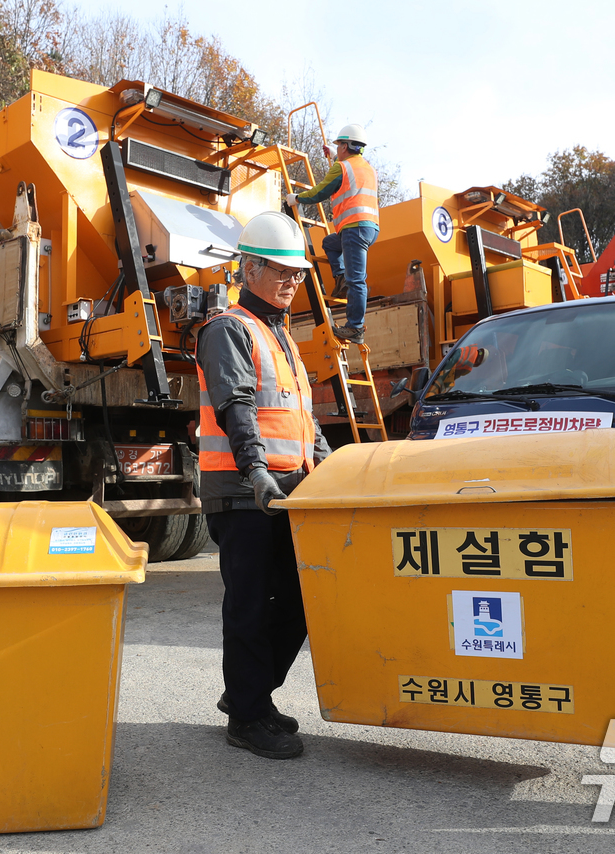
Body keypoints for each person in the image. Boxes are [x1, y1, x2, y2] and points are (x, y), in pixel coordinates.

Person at [195, 210, 333, 760]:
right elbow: (238, 407)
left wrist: (330, 471)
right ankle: (248, 717)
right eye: (281, 271)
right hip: (243, 492)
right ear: (249, 269)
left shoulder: (282, 337)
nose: (292, 281)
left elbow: (303, 419)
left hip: (287, 491)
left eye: (298, 273)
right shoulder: (228, 329)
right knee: (250, 604)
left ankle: (249, 695)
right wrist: (255, 469)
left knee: (299, 601)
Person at [286, 123, 379, 343]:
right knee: (329, 242)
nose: (337, 149)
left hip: (353, 228)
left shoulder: (342, 167)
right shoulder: (366, 167)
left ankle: (355, 327)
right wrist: (333, 152)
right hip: (369, 228)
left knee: (357, 280)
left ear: (346, 147)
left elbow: (321, 192)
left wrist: (296, 198)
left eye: (339, 145)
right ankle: (340, 279)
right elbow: (349, 170)